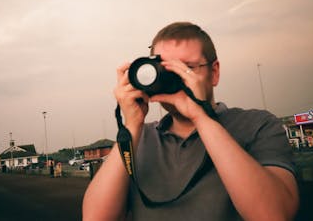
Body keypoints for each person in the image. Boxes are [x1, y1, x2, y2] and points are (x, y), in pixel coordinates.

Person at [83, 22, 299, 220]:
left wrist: (200, 117)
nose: (176, 78)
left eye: (187, 68)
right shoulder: (139, 138)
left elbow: (274, 214)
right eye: (167, 69)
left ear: (214, 73)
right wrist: (131, 125)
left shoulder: (257, 125)